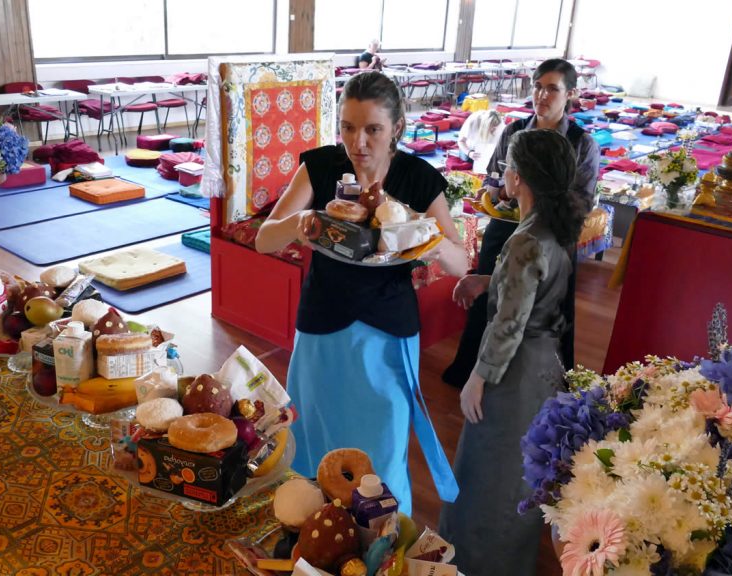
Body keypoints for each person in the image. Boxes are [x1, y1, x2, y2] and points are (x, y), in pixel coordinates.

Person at [255, 71, 467, 513]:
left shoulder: (417, 179)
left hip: (388, 334)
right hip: (322, 327)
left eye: (373, 129)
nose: (359, 142)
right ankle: (311, 536)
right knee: (313, 444)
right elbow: (263, 239)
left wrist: (416, 228)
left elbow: (459, 263)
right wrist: (300, 222)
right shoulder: (321, 167)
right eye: (348, 127)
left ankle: (380, 546)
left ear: (397, 129)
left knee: (382, 454)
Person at [438, 128, 587, 576]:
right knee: (520, 476)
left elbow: (509, 324)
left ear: (519, 178)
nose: (502, 173)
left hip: (513, 371)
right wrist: (488, 282)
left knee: (491, 478)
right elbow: (532, 289)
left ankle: (476, 565)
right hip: (544, 364)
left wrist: (478, 377)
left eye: (507, 167)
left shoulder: (525, 239)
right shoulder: (552, 228)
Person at [442, 58, 599, 388]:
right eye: (537, 87)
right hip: (504, 226)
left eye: (552, 89)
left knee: (543, 312)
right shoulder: (514, 131)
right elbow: (492, 178)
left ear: (570, 93)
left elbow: (582, 201)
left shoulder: (582, 143)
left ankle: (541, 380)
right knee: (490, 301)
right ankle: (474, 369)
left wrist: (535, 199)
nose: (542, 95)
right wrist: (501, 191)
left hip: (553, 233)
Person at [457, 110, 504, 174]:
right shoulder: (472, 122)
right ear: (485, 125)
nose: (493, 130)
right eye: (491, 128)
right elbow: (460, 141)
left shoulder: (500, 124)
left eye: (495, 128)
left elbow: (502, 144)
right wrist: (469, 153)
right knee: (467, 161)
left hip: (486, 149)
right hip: (470, 147)